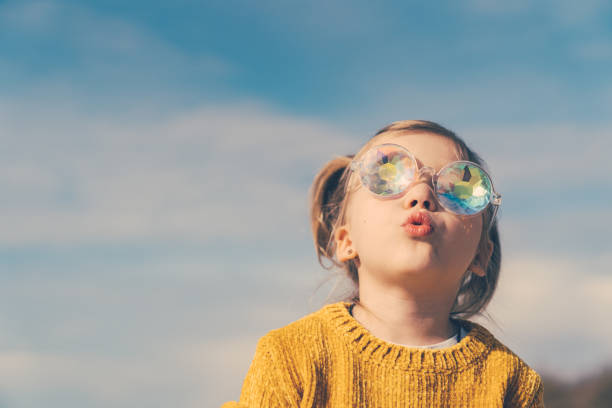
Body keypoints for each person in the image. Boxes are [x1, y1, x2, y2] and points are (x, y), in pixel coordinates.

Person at [221, 120, 544, 407]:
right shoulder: (291, 357)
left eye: (460, 188)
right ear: (345, 241)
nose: (421, 194)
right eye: (386, 175)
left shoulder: (511, 380)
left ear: (480, 255)